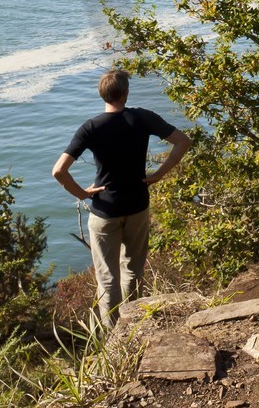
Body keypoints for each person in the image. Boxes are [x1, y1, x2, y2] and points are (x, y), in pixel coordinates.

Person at [53, 68, 192, 324]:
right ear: (126, 94)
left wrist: (82, 193)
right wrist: (159, 174)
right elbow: (183, 141)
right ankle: (135, 326)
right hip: (138, 206)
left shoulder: (91, 127)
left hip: (105, 211)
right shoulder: (142, 118)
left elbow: (59, 171)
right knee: (133, 272)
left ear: (102, 95)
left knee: (107, 279)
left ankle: (111, 340)